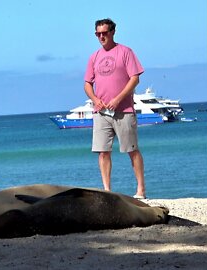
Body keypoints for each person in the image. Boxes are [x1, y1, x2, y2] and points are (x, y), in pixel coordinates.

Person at [83, 18, 146, 199]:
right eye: (98, 34)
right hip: (101, 112)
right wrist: (95, 99)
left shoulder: (125, 52)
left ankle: (141, 190)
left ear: (112, 32)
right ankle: (107, 190)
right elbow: (87, 84)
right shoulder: (94, 57)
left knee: (132, 149)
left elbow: (135, 78)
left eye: (104, 33)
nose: (101, 36)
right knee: (103, 151)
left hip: (124, 110)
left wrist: (118, 99)